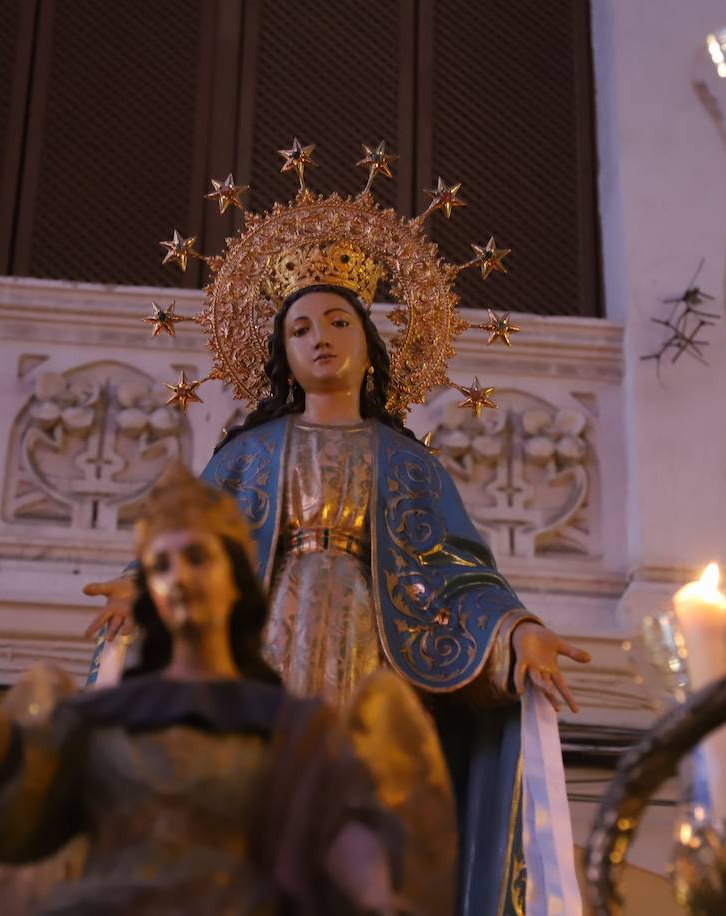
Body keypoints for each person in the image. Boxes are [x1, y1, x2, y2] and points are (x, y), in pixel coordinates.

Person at [86, 200, 592, 913]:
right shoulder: (249, 454)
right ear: (282, 356)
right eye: (299, 328)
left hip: (373, 645)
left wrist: (515, 630)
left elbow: (458, 576)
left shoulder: (407, 464)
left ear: (369, 343)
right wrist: (142, 591)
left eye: (337, 322)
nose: (320, 338)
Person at [0, 464, 422, 915]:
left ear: (237, 580)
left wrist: (374, 894)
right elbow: (5, 774)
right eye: (160, 567)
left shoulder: (294, 726)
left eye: (197, 558)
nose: (179, 577)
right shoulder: (101, 717)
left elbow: (342, 825)